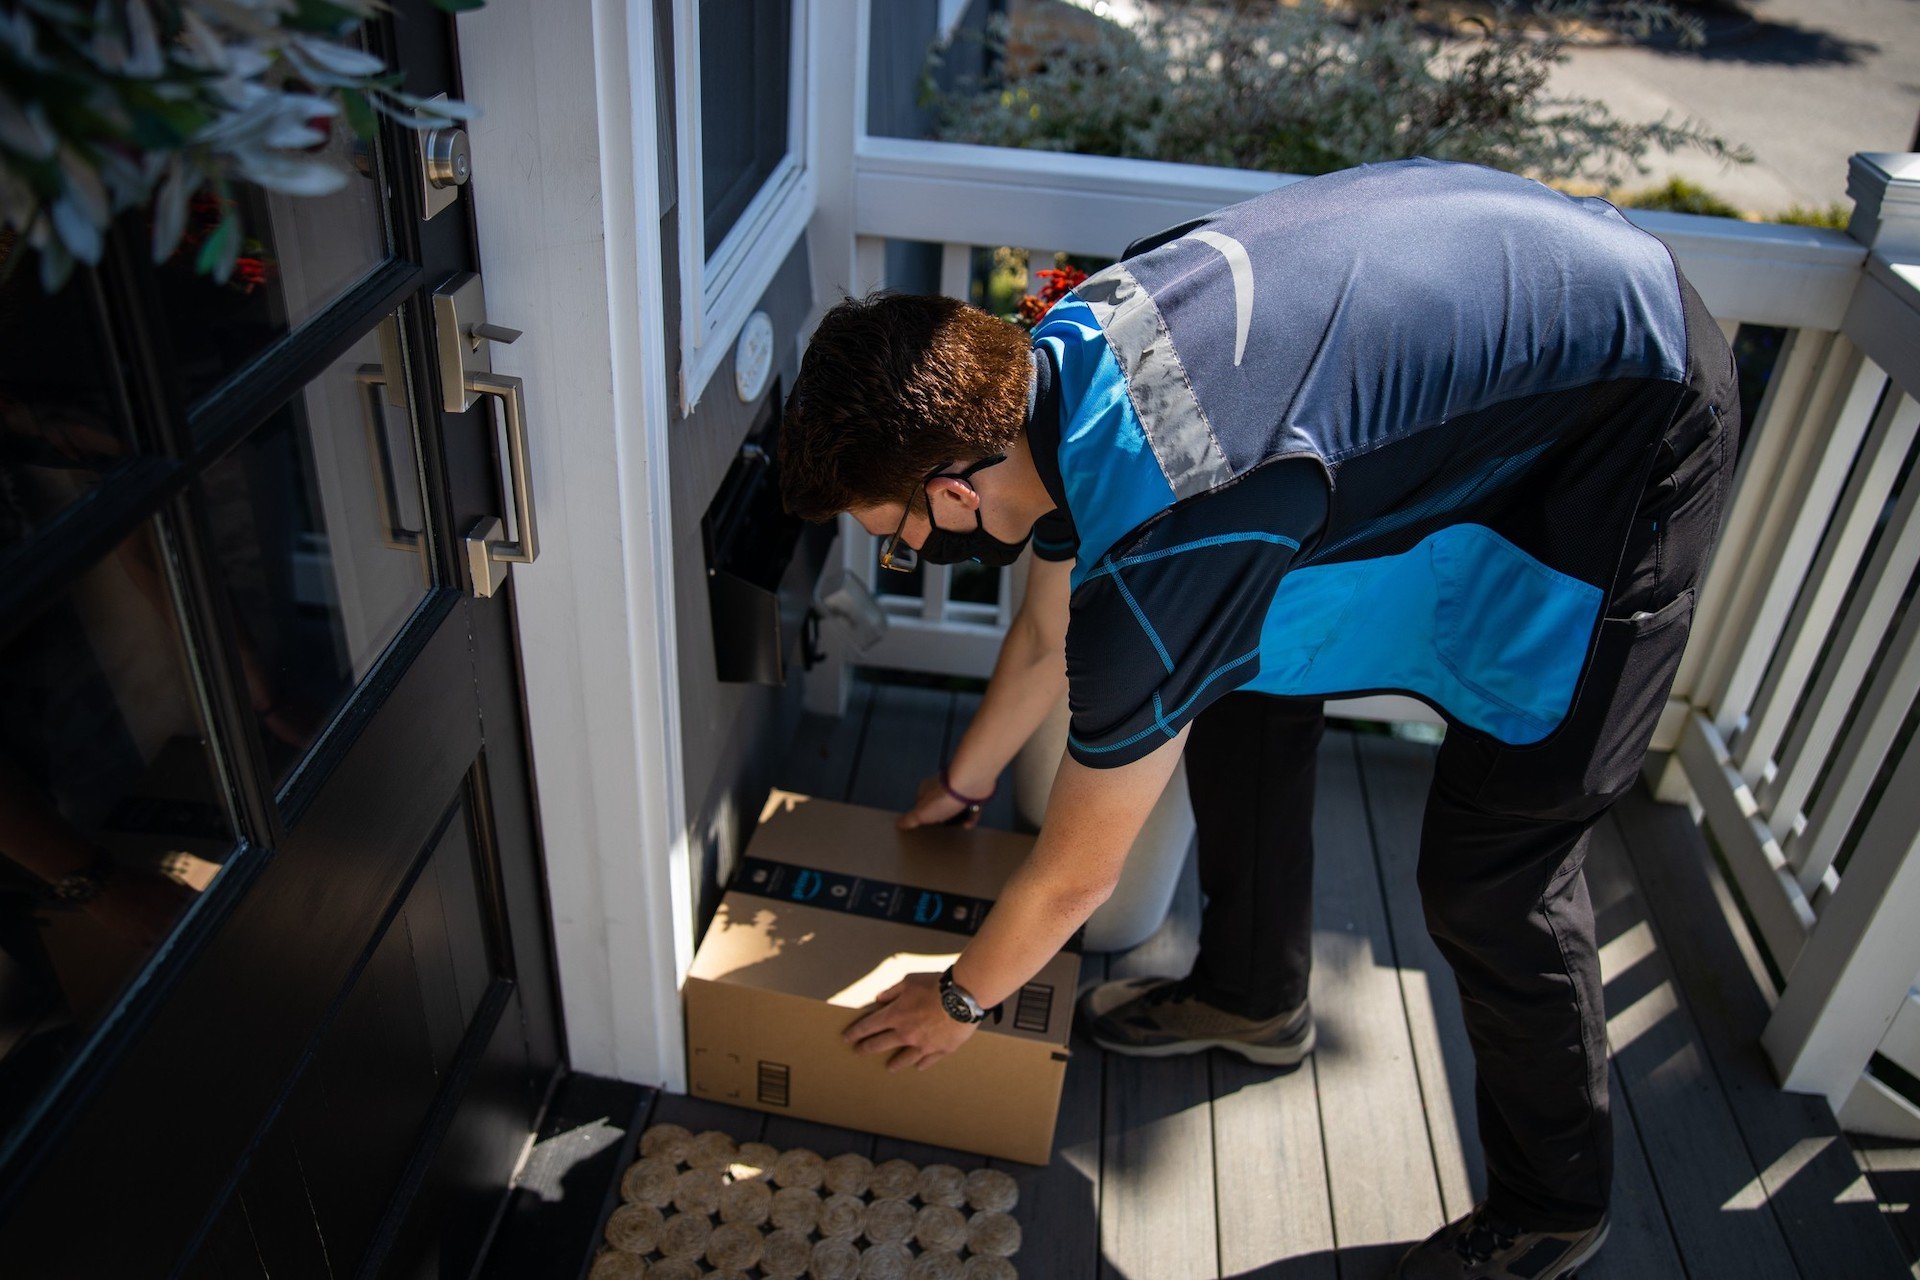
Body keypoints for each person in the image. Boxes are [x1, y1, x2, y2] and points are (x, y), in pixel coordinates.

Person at [780, 158, 1736, 1280]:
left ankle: (1557, 1199)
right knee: (1246, 674)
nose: (904, 548)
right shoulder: (1057, 362)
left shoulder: (1170, 532)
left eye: (893, 530)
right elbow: (1044, 635)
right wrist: (968, 779)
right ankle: (1251, 993)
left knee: (1496, 869)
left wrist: (957, 1001)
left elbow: (1081, 871)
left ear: (952, 490)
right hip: (1508, 331)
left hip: (1641, 402)